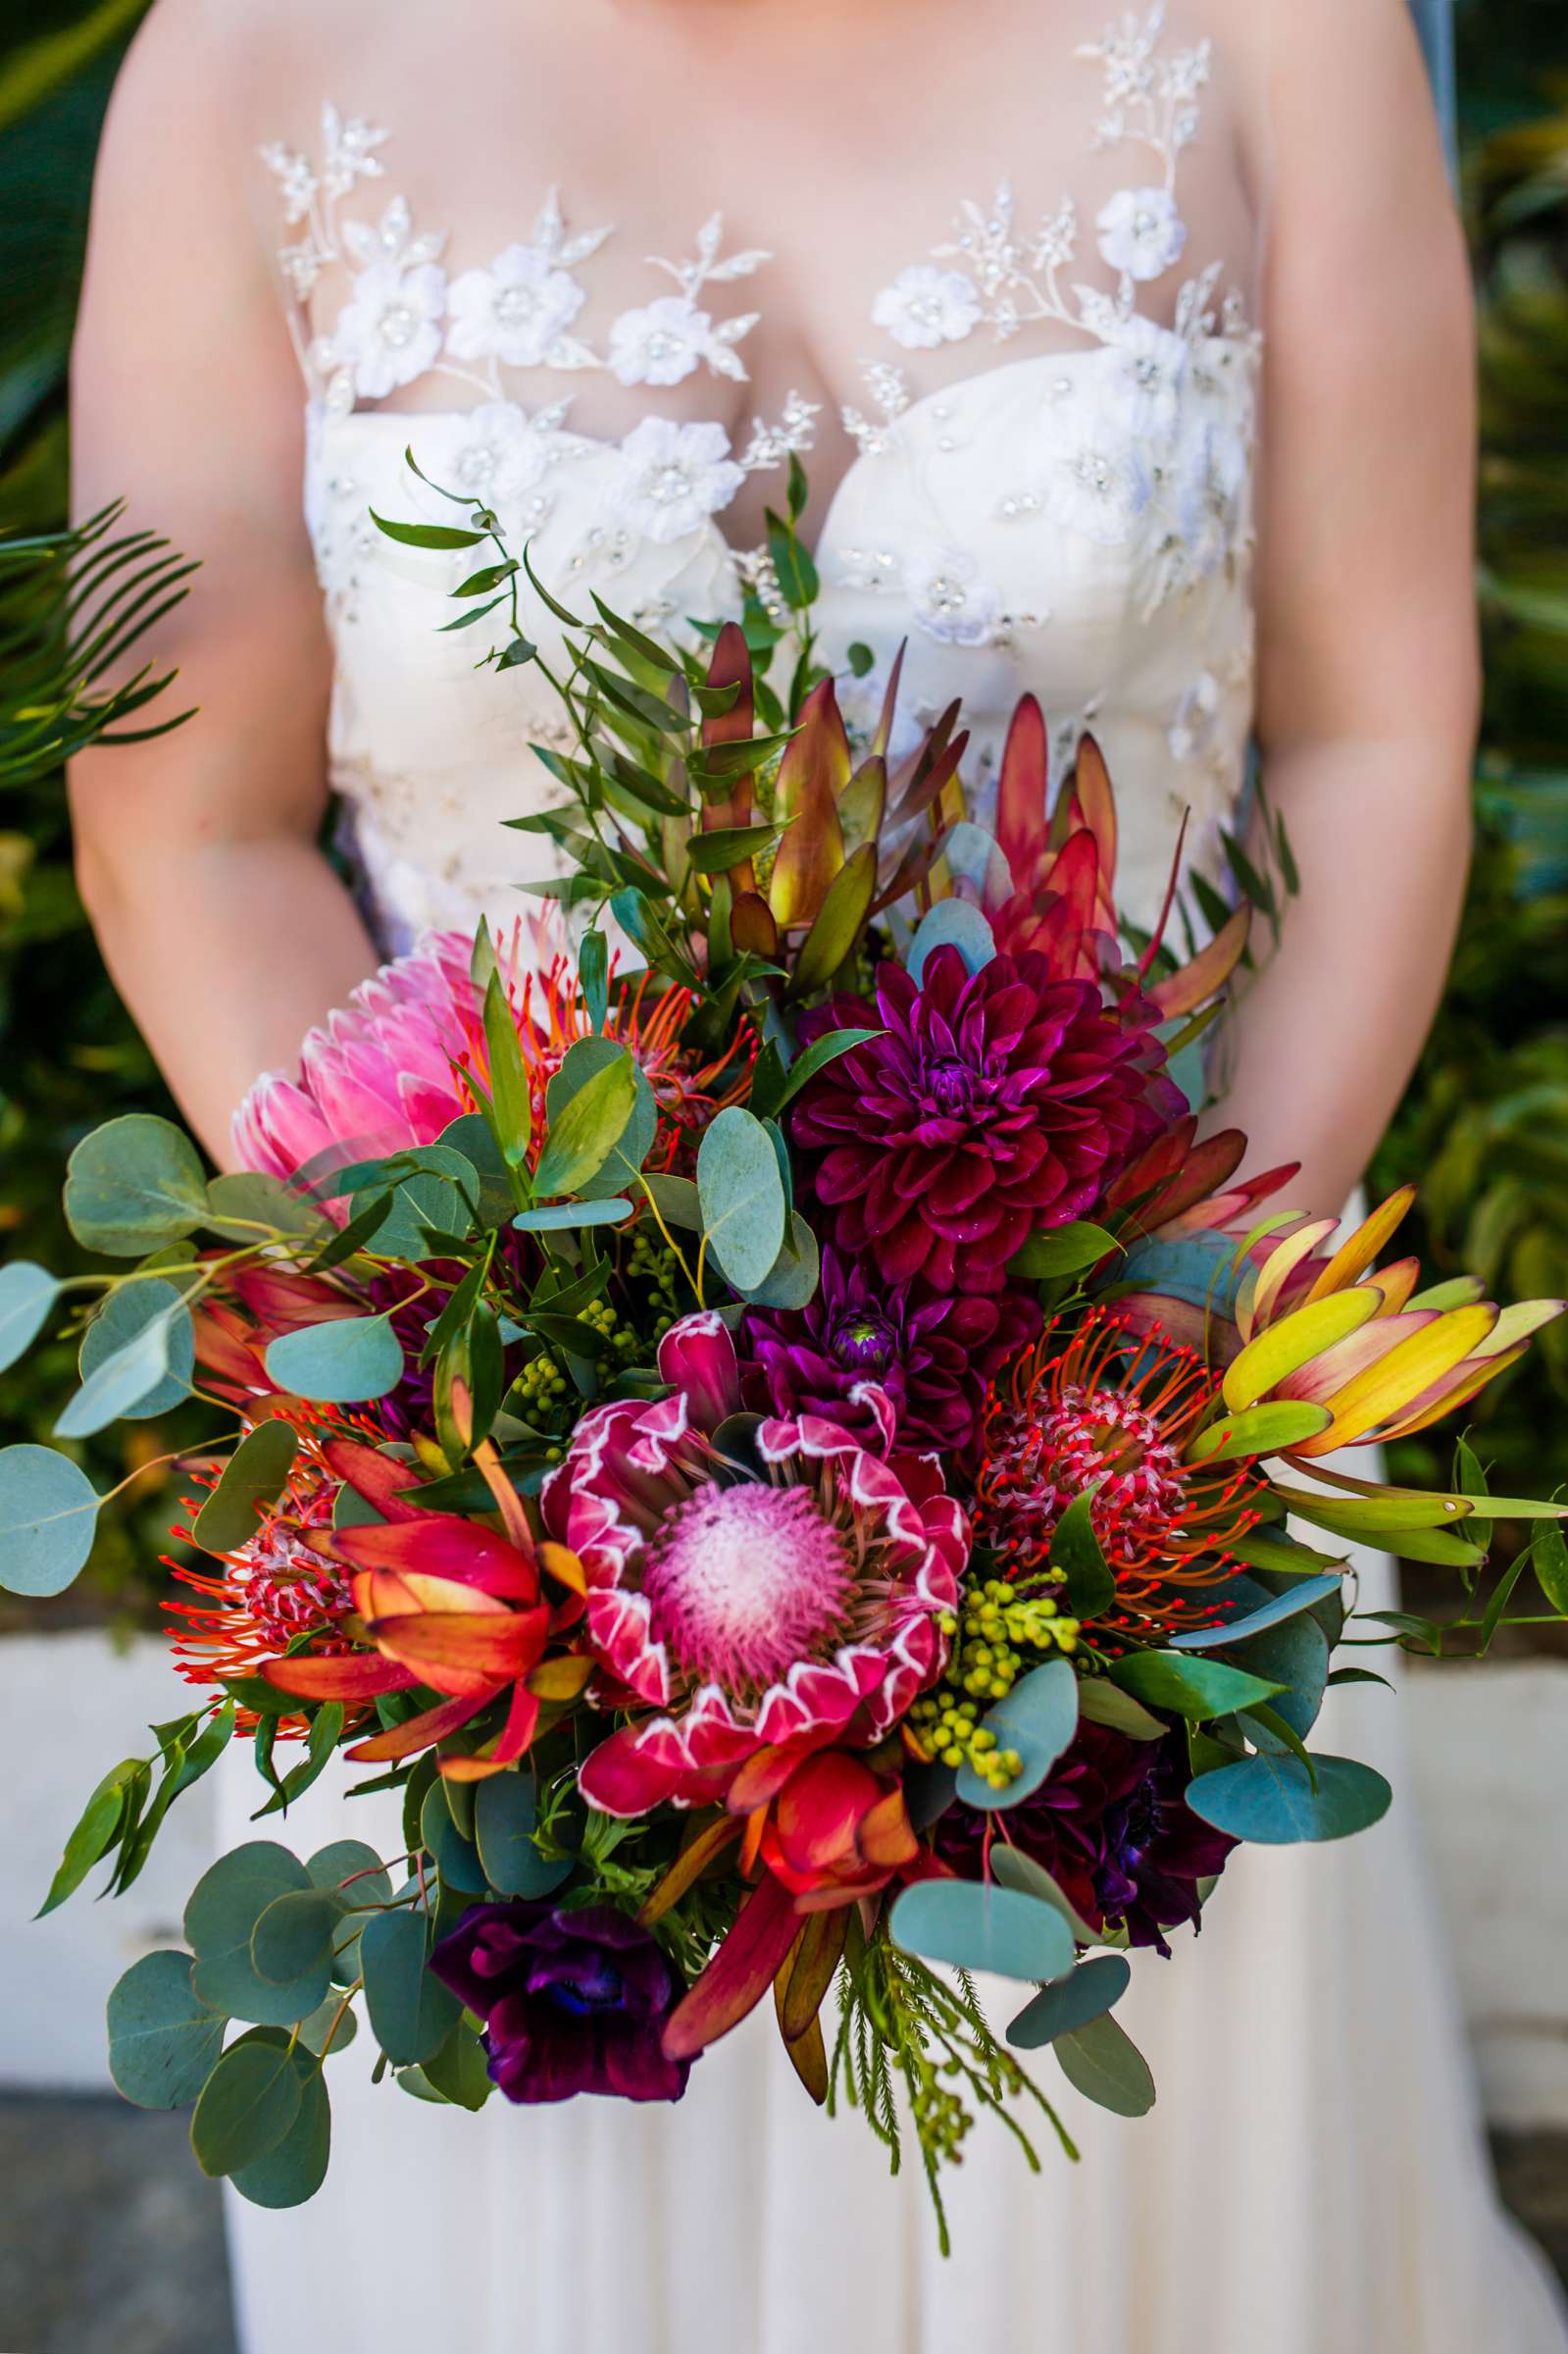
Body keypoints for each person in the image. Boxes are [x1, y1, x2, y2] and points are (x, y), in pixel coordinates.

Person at [68, 0, 1568, 2346]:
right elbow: (187, 814)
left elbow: (1368, 726)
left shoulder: (1282, 28)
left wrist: (1167, 1337)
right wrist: (465, 1380)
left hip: (1145, 1458)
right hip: (496, 1499)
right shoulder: (247, 58)